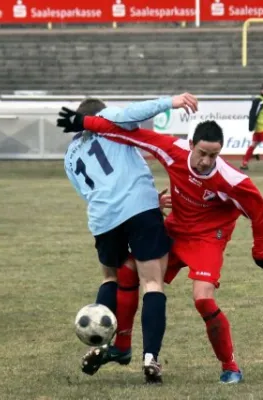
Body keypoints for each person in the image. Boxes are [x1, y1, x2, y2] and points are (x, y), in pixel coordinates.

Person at [58, 108, 263, 384]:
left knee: (203, 299)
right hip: (176, 231)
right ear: (191, 145)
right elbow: (130, 134)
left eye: (214, 155)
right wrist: (84, 122)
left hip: (207, 240)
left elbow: (259, 212)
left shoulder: (232, 180)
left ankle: (230, 366)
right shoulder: (173, 150)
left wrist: (260, 253)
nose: (206, 161)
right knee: (128, 270)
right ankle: (122, 347)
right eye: (202, 153)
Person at [63, 93, 198, 383]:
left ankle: (111, 345)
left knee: (112, 277)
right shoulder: (109, 120)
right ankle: (151, 357)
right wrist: (171, 101)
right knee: (151, 281)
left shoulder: (70, 154)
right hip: (139, 209)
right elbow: (134, 112)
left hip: (103, 218)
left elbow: (90, 191)